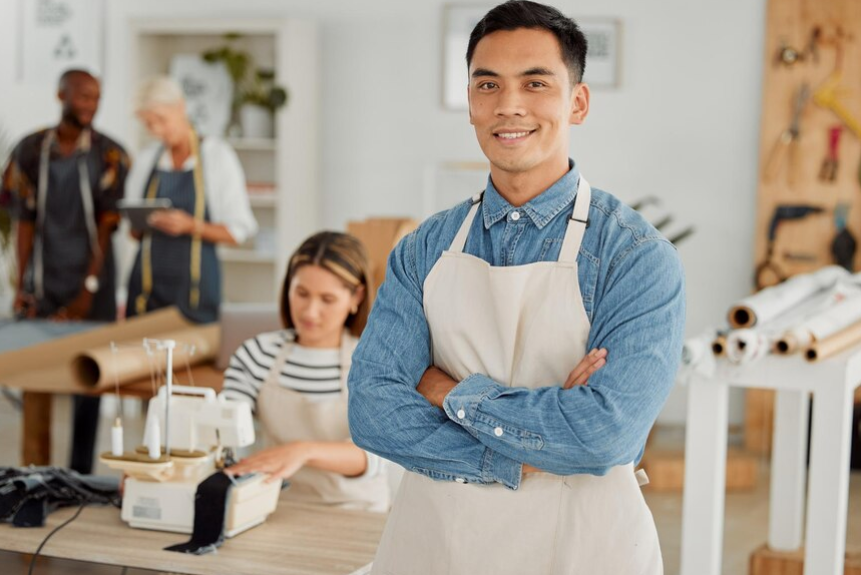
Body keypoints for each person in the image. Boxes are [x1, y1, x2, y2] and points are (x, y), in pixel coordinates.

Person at [347, 2, 685, 573]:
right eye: (488, 84)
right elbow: (373, 409)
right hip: (435, 547)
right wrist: (517, 452)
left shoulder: (636, 256)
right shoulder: (424, 248)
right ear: (471, 104)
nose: (509, 105)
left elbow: (602, 434)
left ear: (576, 102)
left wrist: (450, 392)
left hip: (583, 549)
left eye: (535, 82)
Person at [1, 69, 130, 475]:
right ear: (61, 94)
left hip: (94, 283)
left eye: (96, 97)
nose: (90, 105)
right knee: (36, 376)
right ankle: (32, 477)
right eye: (82, 96)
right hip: (46, 278)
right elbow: (23, 222)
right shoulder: (30, 149)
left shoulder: (112, 155)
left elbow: (107, 228)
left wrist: (87, 290)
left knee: (88, 382)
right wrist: (23, 285)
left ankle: (80, 476)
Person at [223, 232, 389, 512]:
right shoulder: (257, 354)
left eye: (327, 299)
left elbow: (376, 457)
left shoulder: (375, 361)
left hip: (356, 511)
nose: (310, 312)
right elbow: (223, 427)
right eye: (301, 294)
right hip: (277, 507)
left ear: (356, 296)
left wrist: (303, 451)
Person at [124, 77, 257, 324]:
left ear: (181, 107)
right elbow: (133, 233)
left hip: (195, 295)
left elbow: (239, 231)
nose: (157, 131)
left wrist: (190, 226)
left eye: (161, 120)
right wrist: (141, 223)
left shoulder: (217, 157)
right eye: (149, 125)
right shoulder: (146, 160)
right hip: (145, 294)